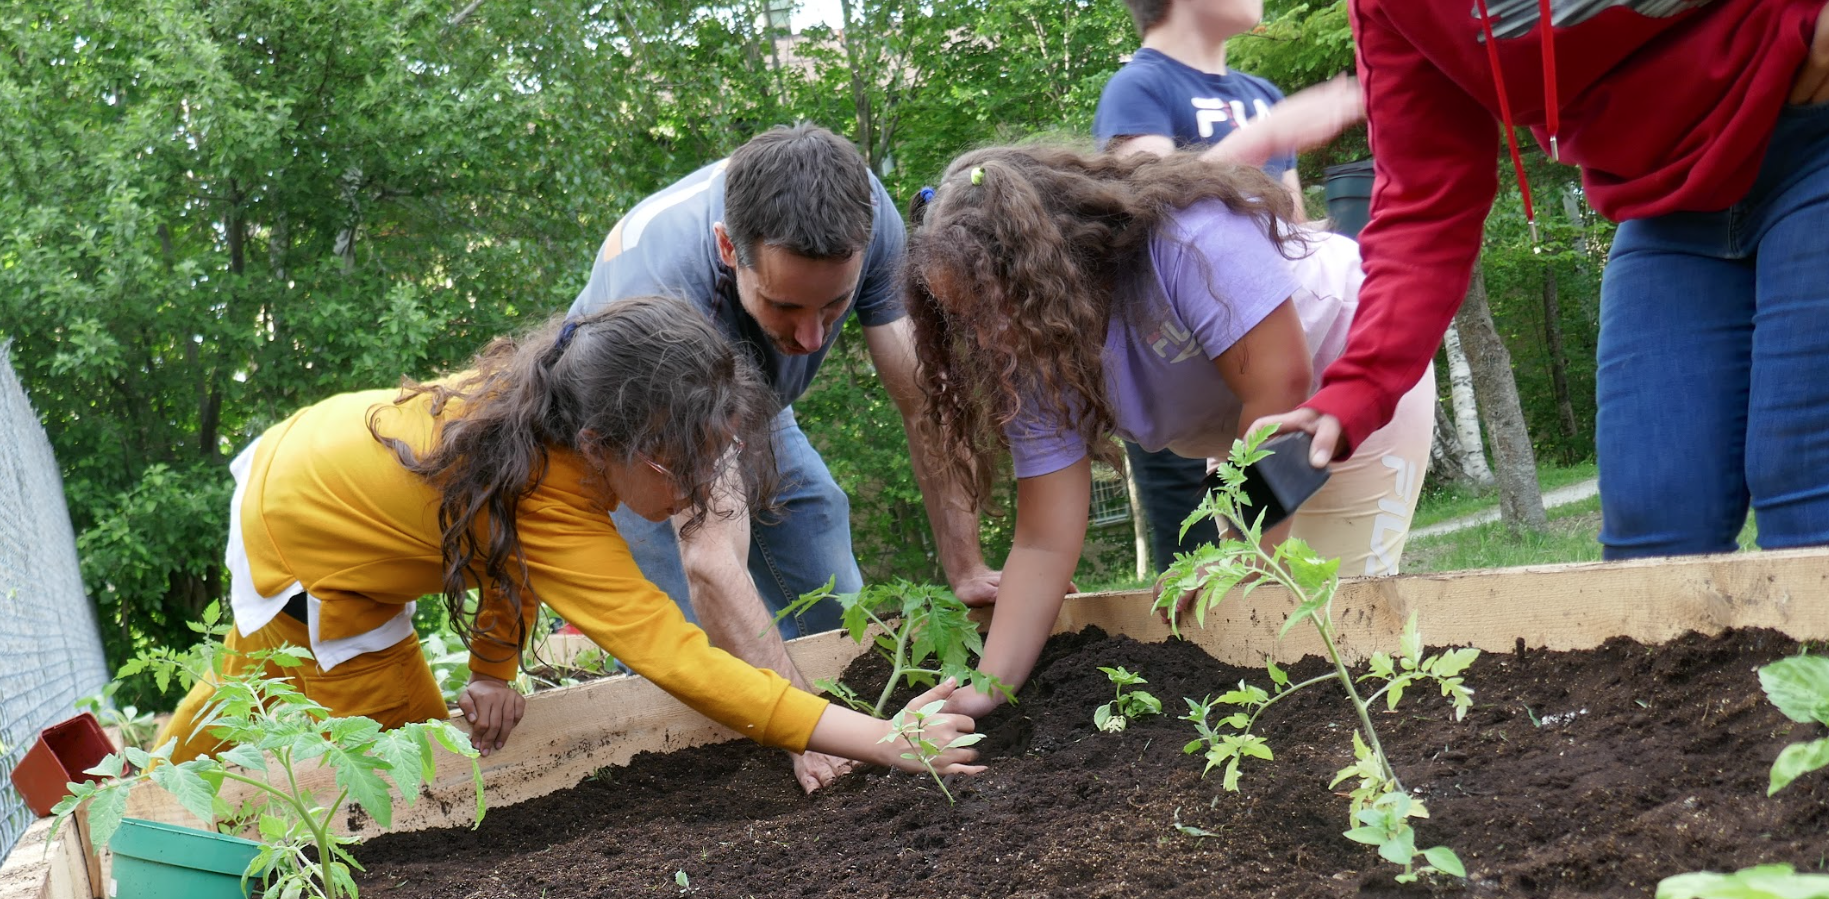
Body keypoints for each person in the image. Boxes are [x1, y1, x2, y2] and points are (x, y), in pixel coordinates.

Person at [157, 296, 981, 788]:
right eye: (682, 466)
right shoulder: (553, 493)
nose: (701, 492)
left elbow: (499, 539)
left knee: (400, 738)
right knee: (397, 759)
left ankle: (143, 773)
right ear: (600, 445)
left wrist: (492, 668)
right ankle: (141, 797)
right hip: (300, 540)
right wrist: (882, 739)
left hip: (313, 456)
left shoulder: (540, 423)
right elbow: (678, 659)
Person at [1258, 0, 1829, 560]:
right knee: (1654, 523)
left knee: (1808, 489)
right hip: (1663, 200)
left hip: (1813, 135)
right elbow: (1424, 204)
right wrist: (1354, 389)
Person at [902, 143, 1435, 719]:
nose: (982, 339)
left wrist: (1241, 555)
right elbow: (1043, 541)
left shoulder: (1190, 240)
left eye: (986, 309)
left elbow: (1278, 385)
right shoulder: (1032, 356)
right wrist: (984, 691)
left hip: (1353, 380)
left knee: (1332, 627)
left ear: (1039, 270)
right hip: (1249, 432)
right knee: (1250, 623)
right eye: (963, 320)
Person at [571, 123, 994, 792]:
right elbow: (711, 559)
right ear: (727, 249)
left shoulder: (865, 212)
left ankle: (849, 730)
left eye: (835, 304)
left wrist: (967, 568)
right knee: (690, 655)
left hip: (754, 400)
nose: (812, 337)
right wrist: (805, 732)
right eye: (784, 305)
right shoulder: (668, 299)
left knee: (826, 563)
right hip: (639, 437)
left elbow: (925, 404)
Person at [1094, 0, 1367, 574]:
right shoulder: (1137, 87)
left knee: (1331, 574)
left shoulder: (1261, 92)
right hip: (1224, 380)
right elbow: (1148, 217)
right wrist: (1266, 136)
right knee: (1247, 578)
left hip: (1307, 357)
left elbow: (1291, 229)